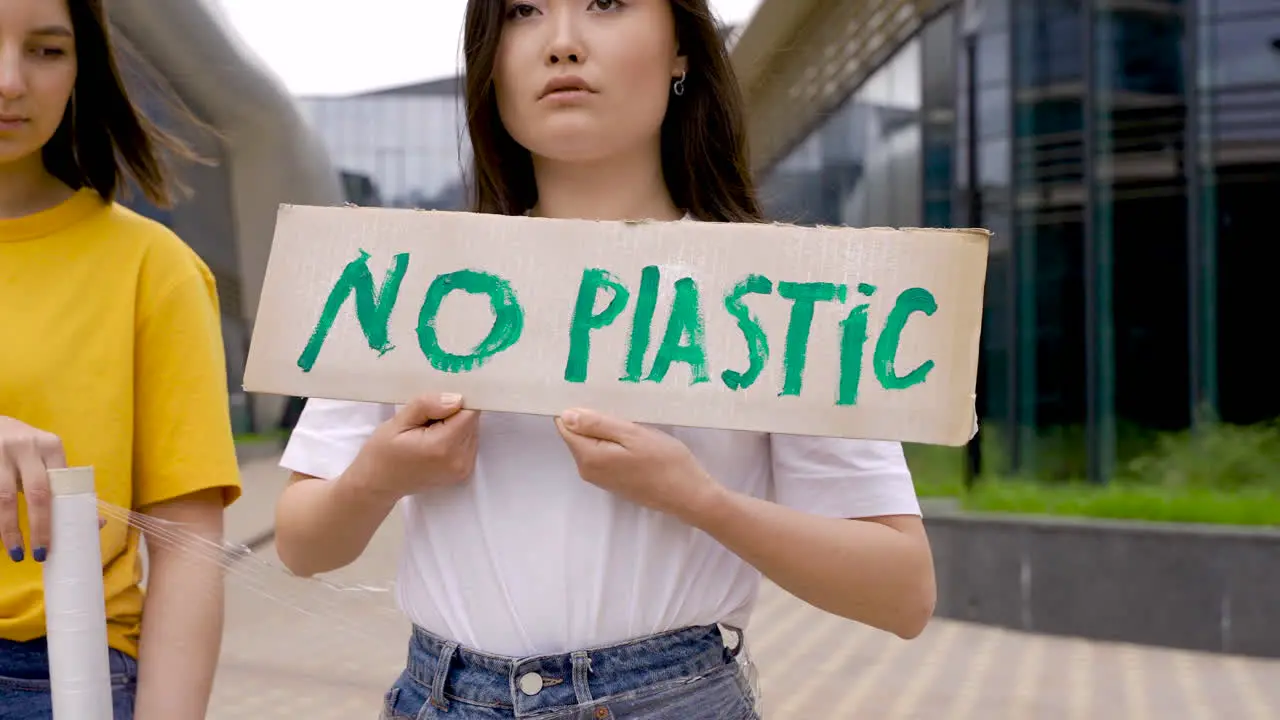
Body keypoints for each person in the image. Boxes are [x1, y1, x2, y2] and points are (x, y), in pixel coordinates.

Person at [275, 1, 936, 718]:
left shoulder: (777, 290)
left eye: (607, 3)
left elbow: (901, 590)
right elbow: (301, 544)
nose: (562, 44)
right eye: (525, 11)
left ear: (682, 49)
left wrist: (697, 500)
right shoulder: (410, 281)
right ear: (489, 61)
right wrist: (379, 477)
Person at [0, 1, 242, 718]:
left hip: (58, 678)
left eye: (47, 51)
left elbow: (186, 542)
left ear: (84, 69)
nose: (10, 81)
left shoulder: (151, 267)